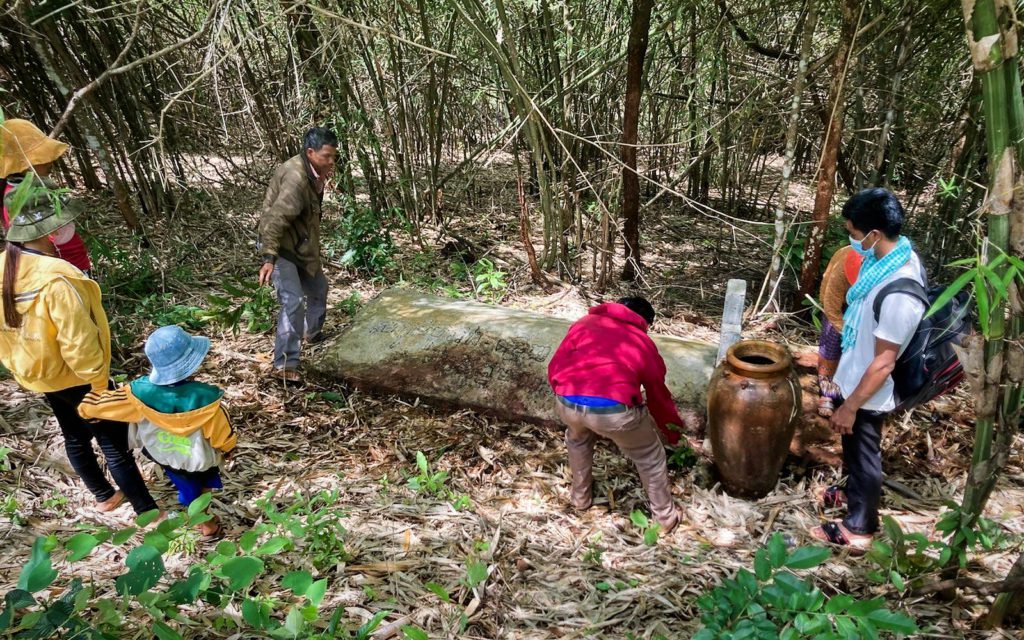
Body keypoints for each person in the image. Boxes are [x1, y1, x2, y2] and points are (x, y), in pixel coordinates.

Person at [0, 186, 157, 515]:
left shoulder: (5, 266)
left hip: (39, 372)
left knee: (73, 432)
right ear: (50, 230)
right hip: (75, 374)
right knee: (114, 444)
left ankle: (104, 495)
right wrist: (98, 384)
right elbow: (79, 339)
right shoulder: (57, 276)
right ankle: (148, 512)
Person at [810, 188, 926, 552]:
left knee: (864, 453)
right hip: (856, 376)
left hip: (870, 390)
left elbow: (884, 362)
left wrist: (850, 405)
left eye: (855, 234)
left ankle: (859, 528)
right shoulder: (888, 259)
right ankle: (850, 492)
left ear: (874, 234)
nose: (852, 241)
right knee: (855, 447)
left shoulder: (899, 293)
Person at [79, 325, 235, 538]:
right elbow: (222, 434)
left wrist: (87, 409)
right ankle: (205, 523)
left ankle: (202, 518)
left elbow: (101, 405)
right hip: (201, 458)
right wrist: (227, 449)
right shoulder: (208, 400)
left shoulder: (138, 393)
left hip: (167, 454)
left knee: (188, 488)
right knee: (205, 484)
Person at [547, 297, 684, 533]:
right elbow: (657, 393)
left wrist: (567, 395)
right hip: (613, 413)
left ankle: (580, 499)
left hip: (567, 402)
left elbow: (555, 366)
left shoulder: (583, 323)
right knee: (649, 456)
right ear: (645, 322)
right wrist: (672, 431)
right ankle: (665, 517)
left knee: (578, 439)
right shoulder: (642, 341)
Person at [257, 127, 338, 383]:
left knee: (318, 290)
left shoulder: (315, 172)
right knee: (292, 302)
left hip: (303, 246)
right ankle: (284, 364)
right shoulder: (296, 177)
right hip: (282, 247)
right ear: (310, 152)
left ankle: (310, 333)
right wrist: (269, 256)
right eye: (327, 156)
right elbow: (276, 218)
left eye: (334, 156)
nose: (331, 161)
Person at [0, 119, 91, 275]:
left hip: (51, 271)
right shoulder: (30, 197)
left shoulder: (12, 189)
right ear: (23, 163)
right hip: (62, 273)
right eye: (41, 157)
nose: (51, 161)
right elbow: (60, 241)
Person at [817, 246, 862, 417]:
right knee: (832, 346)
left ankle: (848, 393)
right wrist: (846, 332)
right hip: (839, 305)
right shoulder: (842, 268)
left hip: (863, 308)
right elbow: (831, 307)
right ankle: (827, 393)